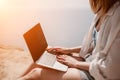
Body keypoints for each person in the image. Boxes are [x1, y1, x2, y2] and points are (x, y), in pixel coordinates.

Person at [18, 0, 120, 80]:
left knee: (36, 74)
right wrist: (68, 50)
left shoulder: (117, 15)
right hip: (88, 61)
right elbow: (97, 43)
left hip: (96, 75)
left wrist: (75, 64)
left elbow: (111, 69)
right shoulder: (102, 11)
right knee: (37, 62)